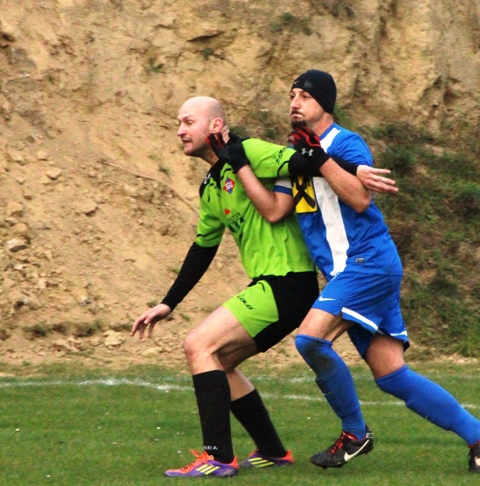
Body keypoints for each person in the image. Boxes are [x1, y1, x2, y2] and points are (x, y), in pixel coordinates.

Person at [211, 69, 480, 473]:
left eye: (304, 96)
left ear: (325, 104)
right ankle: (478, 436)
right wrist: (241, 164)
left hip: (367, 262)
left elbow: (359, 199)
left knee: (309, 339)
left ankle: (354, 433)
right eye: (291, 95)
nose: (294, 102)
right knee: (392, 375)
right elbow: (275, 210)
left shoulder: (346, 143)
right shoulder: (295, 155)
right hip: (352, 272)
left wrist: (321, 159)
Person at [131, 95, 323, 478]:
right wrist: (168, 303)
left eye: (188, 122)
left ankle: (218, 458)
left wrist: (354, 169)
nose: (180, 131)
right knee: (219, 362)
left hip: (288, 282)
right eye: (179, 123)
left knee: (198, 345)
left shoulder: (250, 152)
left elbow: (307, 163)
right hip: (273, 285)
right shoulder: (211, 186)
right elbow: (203, 248)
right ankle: (273, 451)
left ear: (215, 126)